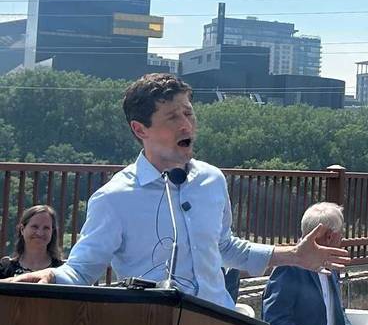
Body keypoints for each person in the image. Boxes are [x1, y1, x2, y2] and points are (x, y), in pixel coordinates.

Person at [4, 73, 349, 309]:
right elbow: (82, 270)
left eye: (189, 113)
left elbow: (225, 246)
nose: (186, 124)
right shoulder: (114, 198)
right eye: (172, 117)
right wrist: (52, 275)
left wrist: (292, 256)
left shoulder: (212, 180)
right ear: (140, 129)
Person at [0, 205, 64, 279]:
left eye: (46, 228)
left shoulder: (61, 271)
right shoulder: (5, 269)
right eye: (35, 227)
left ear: (52, 232)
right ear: (22, 229)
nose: (40, 233)